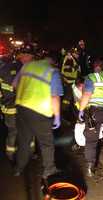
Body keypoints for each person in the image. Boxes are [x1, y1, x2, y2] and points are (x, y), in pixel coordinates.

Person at [13, 51, 64, 180]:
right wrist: (57, 116)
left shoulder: (27, 66)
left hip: (22, 108)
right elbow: (55, 96)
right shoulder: (53, 72)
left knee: (24, 141)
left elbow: (14, 85)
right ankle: (49, 170)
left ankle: (18, 168)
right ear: (55, 62)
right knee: (46, 143)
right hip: (40, 112)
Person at [0, 49, 22, 161]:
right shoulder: (22, 68)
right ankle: (30, 153)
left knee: (12, 132)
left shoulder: (2, 71)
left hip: (9, 108)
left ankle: (10, 154)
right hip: (23, 107)